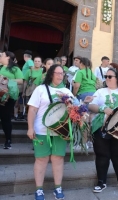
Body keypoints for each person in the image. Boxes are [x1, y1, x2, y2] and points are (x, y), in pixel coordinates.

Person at [27, 64, 74, 200]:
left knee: (58, 159)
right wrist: (30, 127)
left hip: (61, 132)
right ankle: (39, 189)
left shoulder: (66, 91)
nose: (60, 76)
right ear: (51, 74)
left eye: (62, 73)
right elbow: (32, 109)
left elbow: (73, 109)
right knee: (41, 160)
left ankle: (58, 187)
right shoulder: (40, 89)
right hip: (41, 130)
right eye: (57, 73)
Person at [88, 68, 118, 194]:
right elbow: (91, 105)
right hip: (101, 128)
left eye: (110, 76)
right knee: (102, 156)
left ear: (117, 78)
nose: (107, 78)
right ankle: (101, 182)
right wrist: (103, 108)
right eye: (106, 76)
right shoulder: (100, 91)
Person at [0, 51, 24, 149]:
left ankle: (8, 140)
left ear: (8, 57)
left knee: (5, 118)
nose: (0, 57)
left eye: (2, 55)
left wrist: (5, 80)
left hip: (9, 97)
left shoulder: (15, 68)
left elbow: (21, 81)